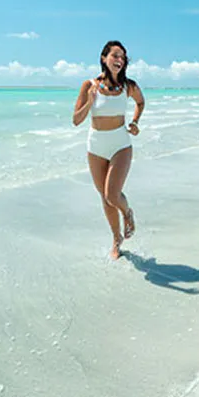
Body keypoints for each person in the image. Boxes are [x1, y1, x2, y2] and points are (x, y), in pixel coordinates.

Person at [72, 40, 146, 260]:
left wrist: (135, 122)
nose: (120, 60)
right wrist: (90, 100)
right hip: (96, 147)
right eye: (115, 56)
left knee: (112, 194)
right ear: (104, 58)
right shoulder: (89, 85)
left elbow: (140, 103)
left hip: (120, 144)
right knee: (104, 198)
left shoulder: (128, 86)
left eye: (123, 57)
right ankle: (116, 241)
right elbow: (76, 120)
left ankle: (127, 212)